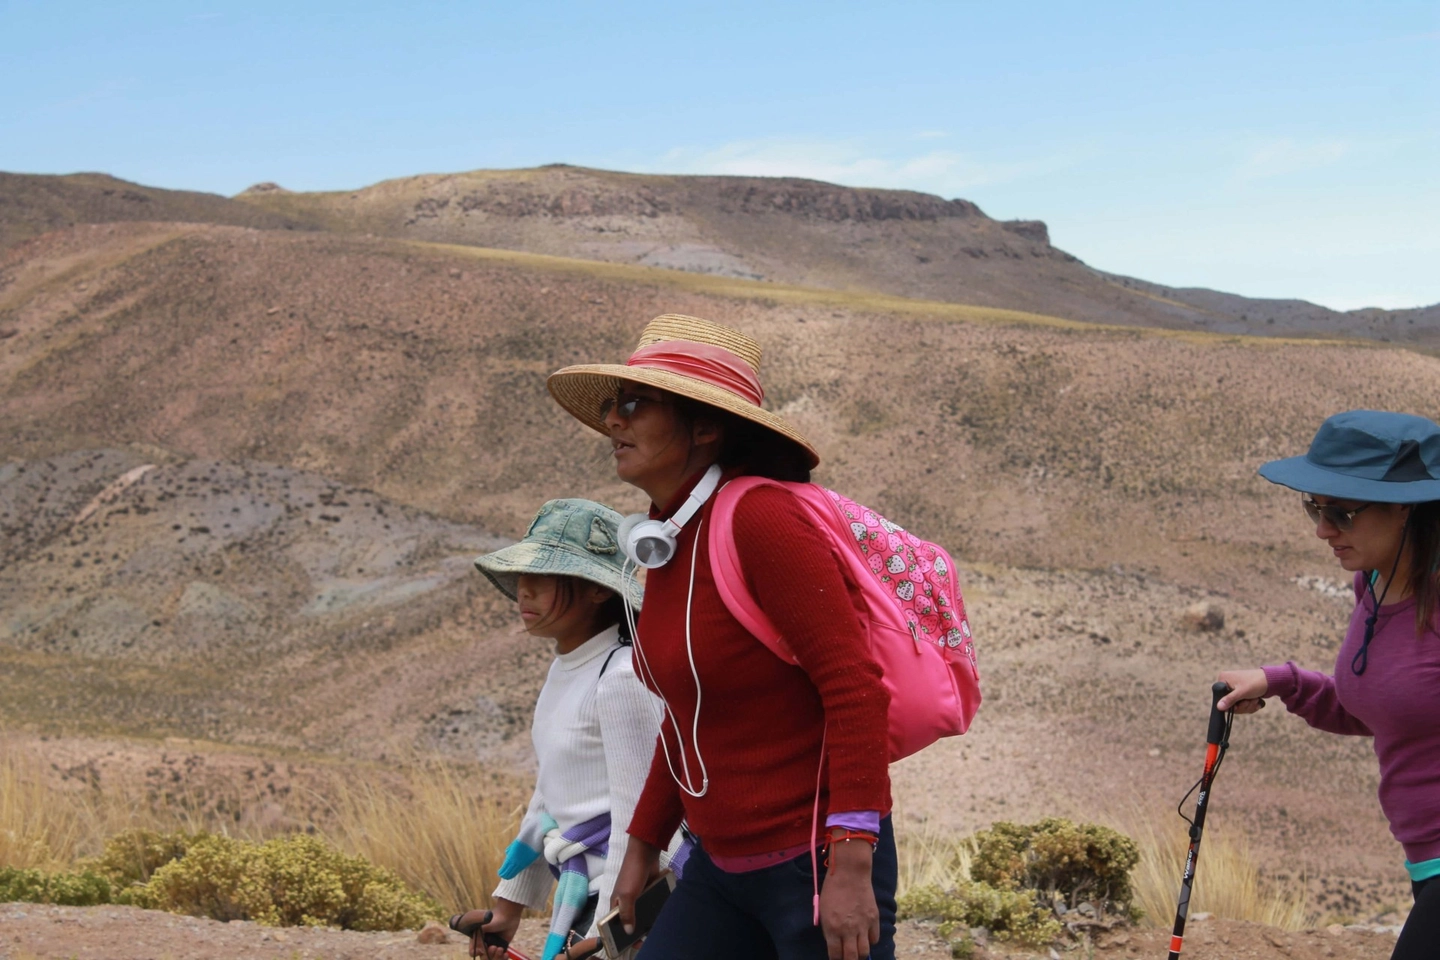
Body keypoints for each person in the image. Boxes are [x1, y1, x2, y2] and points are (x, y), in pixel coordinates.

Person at [546, 313, 898, 960]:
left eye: (631, 404)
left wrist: (851, 865)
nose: (612, 422)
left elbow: (855, 689)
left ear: (705, 427)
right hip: (717, 865)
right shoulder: (667, 537)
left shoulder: (764, 520)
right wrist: (642, 848)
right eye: (610, 406)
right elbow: (686, 716)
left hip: (812, 866)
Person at [1215, 410, 1440, 959]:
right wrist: (1281, 682)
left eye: (1340, 511)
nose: (1322, 529)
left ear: (1407, 506)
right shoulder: (1374, 584)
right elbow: (1388, 708)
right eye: (1313, 507)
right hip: (1426, 861)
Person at [453, 498, 660, 960]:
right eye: (522, 575)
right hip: (585, 900)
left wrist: (610, 937)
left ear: (598, 590)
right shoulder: (568, 667)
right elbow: (551, 798)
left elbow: (638, 819)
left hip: (623, 905)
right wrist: (508, 907)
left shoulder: (622, 677)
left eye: (543, 577)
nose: (523, 590)